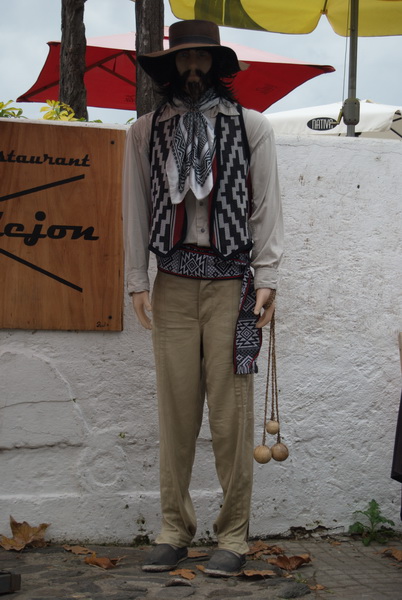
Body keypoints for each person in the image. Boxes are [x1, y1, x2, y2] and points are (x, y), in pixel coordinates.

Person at [123, 19, 283, 577]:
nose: (193, 70)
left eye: (202, 60)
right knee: (176, 414)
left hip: (232, 285)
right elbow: (136, 206)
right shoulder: (144, 131)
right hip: (171, 282)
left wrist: (268, 275)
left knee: (232, 416)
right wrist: (137, 280)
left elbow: (265, 206)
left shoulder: (251, 126)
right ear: (171, 67)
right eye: (184, 60)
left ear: (216, 65)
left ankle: (233, 536)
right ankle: (174, 529)